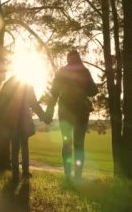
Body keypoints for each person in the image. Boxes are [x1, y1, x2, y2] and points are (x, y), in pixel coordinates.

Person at [46, 50, 98, 179]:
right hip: (81, 111)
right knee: (79, 144)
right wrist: (83, 90)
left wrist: (50, 109)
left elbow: (54, 92)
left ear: (68, 59)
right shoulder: (84, 72)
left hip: (64, 111)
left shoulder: (61, 72)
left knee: (66, 143)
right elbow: (94, 90)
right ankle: (78, 175)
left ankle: (68, 173)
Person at [0, 75, 50, 180]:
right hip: (22, 120)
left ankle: (16, 172)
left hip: (11, 121)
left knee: (15, 147)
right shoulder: (27, 85)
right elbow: (34, 104)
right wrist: (44, 117)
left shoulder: (7, 85)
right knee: (24, 145)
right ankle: (25, 172)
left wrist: (1, 120)